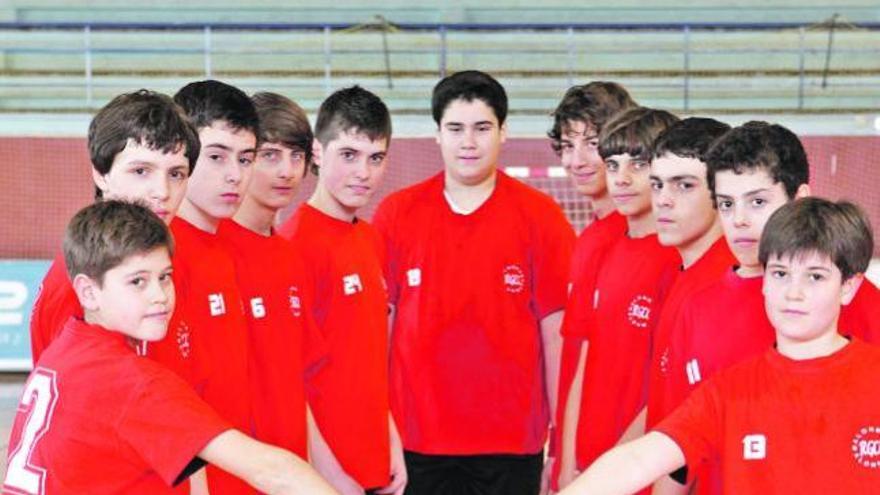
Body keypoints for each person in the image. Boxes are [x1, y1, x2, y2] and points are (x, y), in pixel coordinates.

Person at [3, 200, 338, 495]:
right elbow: (272, 471)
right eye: (138, 281)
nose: (159, 295)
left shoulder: (64, 351)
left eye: (164, 277)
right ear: (88, 292)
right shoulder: (133, 384)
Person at [558, 198, 880, 494]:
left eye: (815, 277)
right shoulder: (728, 392)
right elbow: (639, 460)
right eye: (781, 273)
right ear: (764, 281)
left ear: (848, 287)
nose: (793, 293)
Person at [372, 70, 574, 495]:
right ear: (437, 136)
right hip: (415, 443)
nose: (468, 142)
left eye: (482, 128)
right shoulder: (396, 214)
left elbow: (556, 336)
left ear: (503, 133)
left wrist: (560, 438)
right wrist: (380, 424)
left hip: (512, 445)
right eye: (456, 129)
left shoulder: (541, 217)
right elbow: (379, 332)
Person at [278, 86, 406, 495]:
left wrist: (391, 442)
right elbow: (288, 382)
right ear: (318, 151)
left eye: (375, 158)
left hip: (374, 467)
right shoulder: (295, 245)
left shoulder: (369, 239)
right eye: (348, 155)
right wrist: (329, 478)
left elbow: (368, 359)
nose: (363, 173)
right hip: (327, 478)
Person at [555, 107, 681, 491]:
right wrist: (567, 459)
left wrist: (616, 471)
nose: (622, 179)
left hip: (633, 472)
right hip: (590, 468)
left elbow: (669, 394)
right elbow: (585, 366)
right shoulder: (608, 251)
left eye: (638, 165)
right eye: (612, 165)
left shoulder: (675, 261)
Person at [29, 89, 199, 364]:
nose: (162, 191)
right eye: (141, 171)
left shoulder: (170, 252)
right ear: (100, 175)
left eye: (176, 174)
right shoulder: (75, 280)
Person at [160, 79, 259, 494]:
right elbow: (170, 409)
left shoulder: (228, 248)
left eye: (245, 158)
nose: (234, 175)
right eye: (217, 157)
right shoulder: (161, 258)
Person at [216, 92, 324, 463]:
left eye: (297, 156)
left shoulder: (290, 255)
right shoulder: (211, 253)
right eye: (271, 156)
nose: (287, 171)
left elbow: (294, 385)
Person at [546, 82, 637, 490]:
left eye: (592, 143)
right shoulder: (590, 239)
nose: (577, 160)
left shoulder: (645, 239)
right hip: (584, 457)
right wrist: (562, 457)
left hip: (622, 461)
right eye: (567, 145)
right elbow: (578, 360)